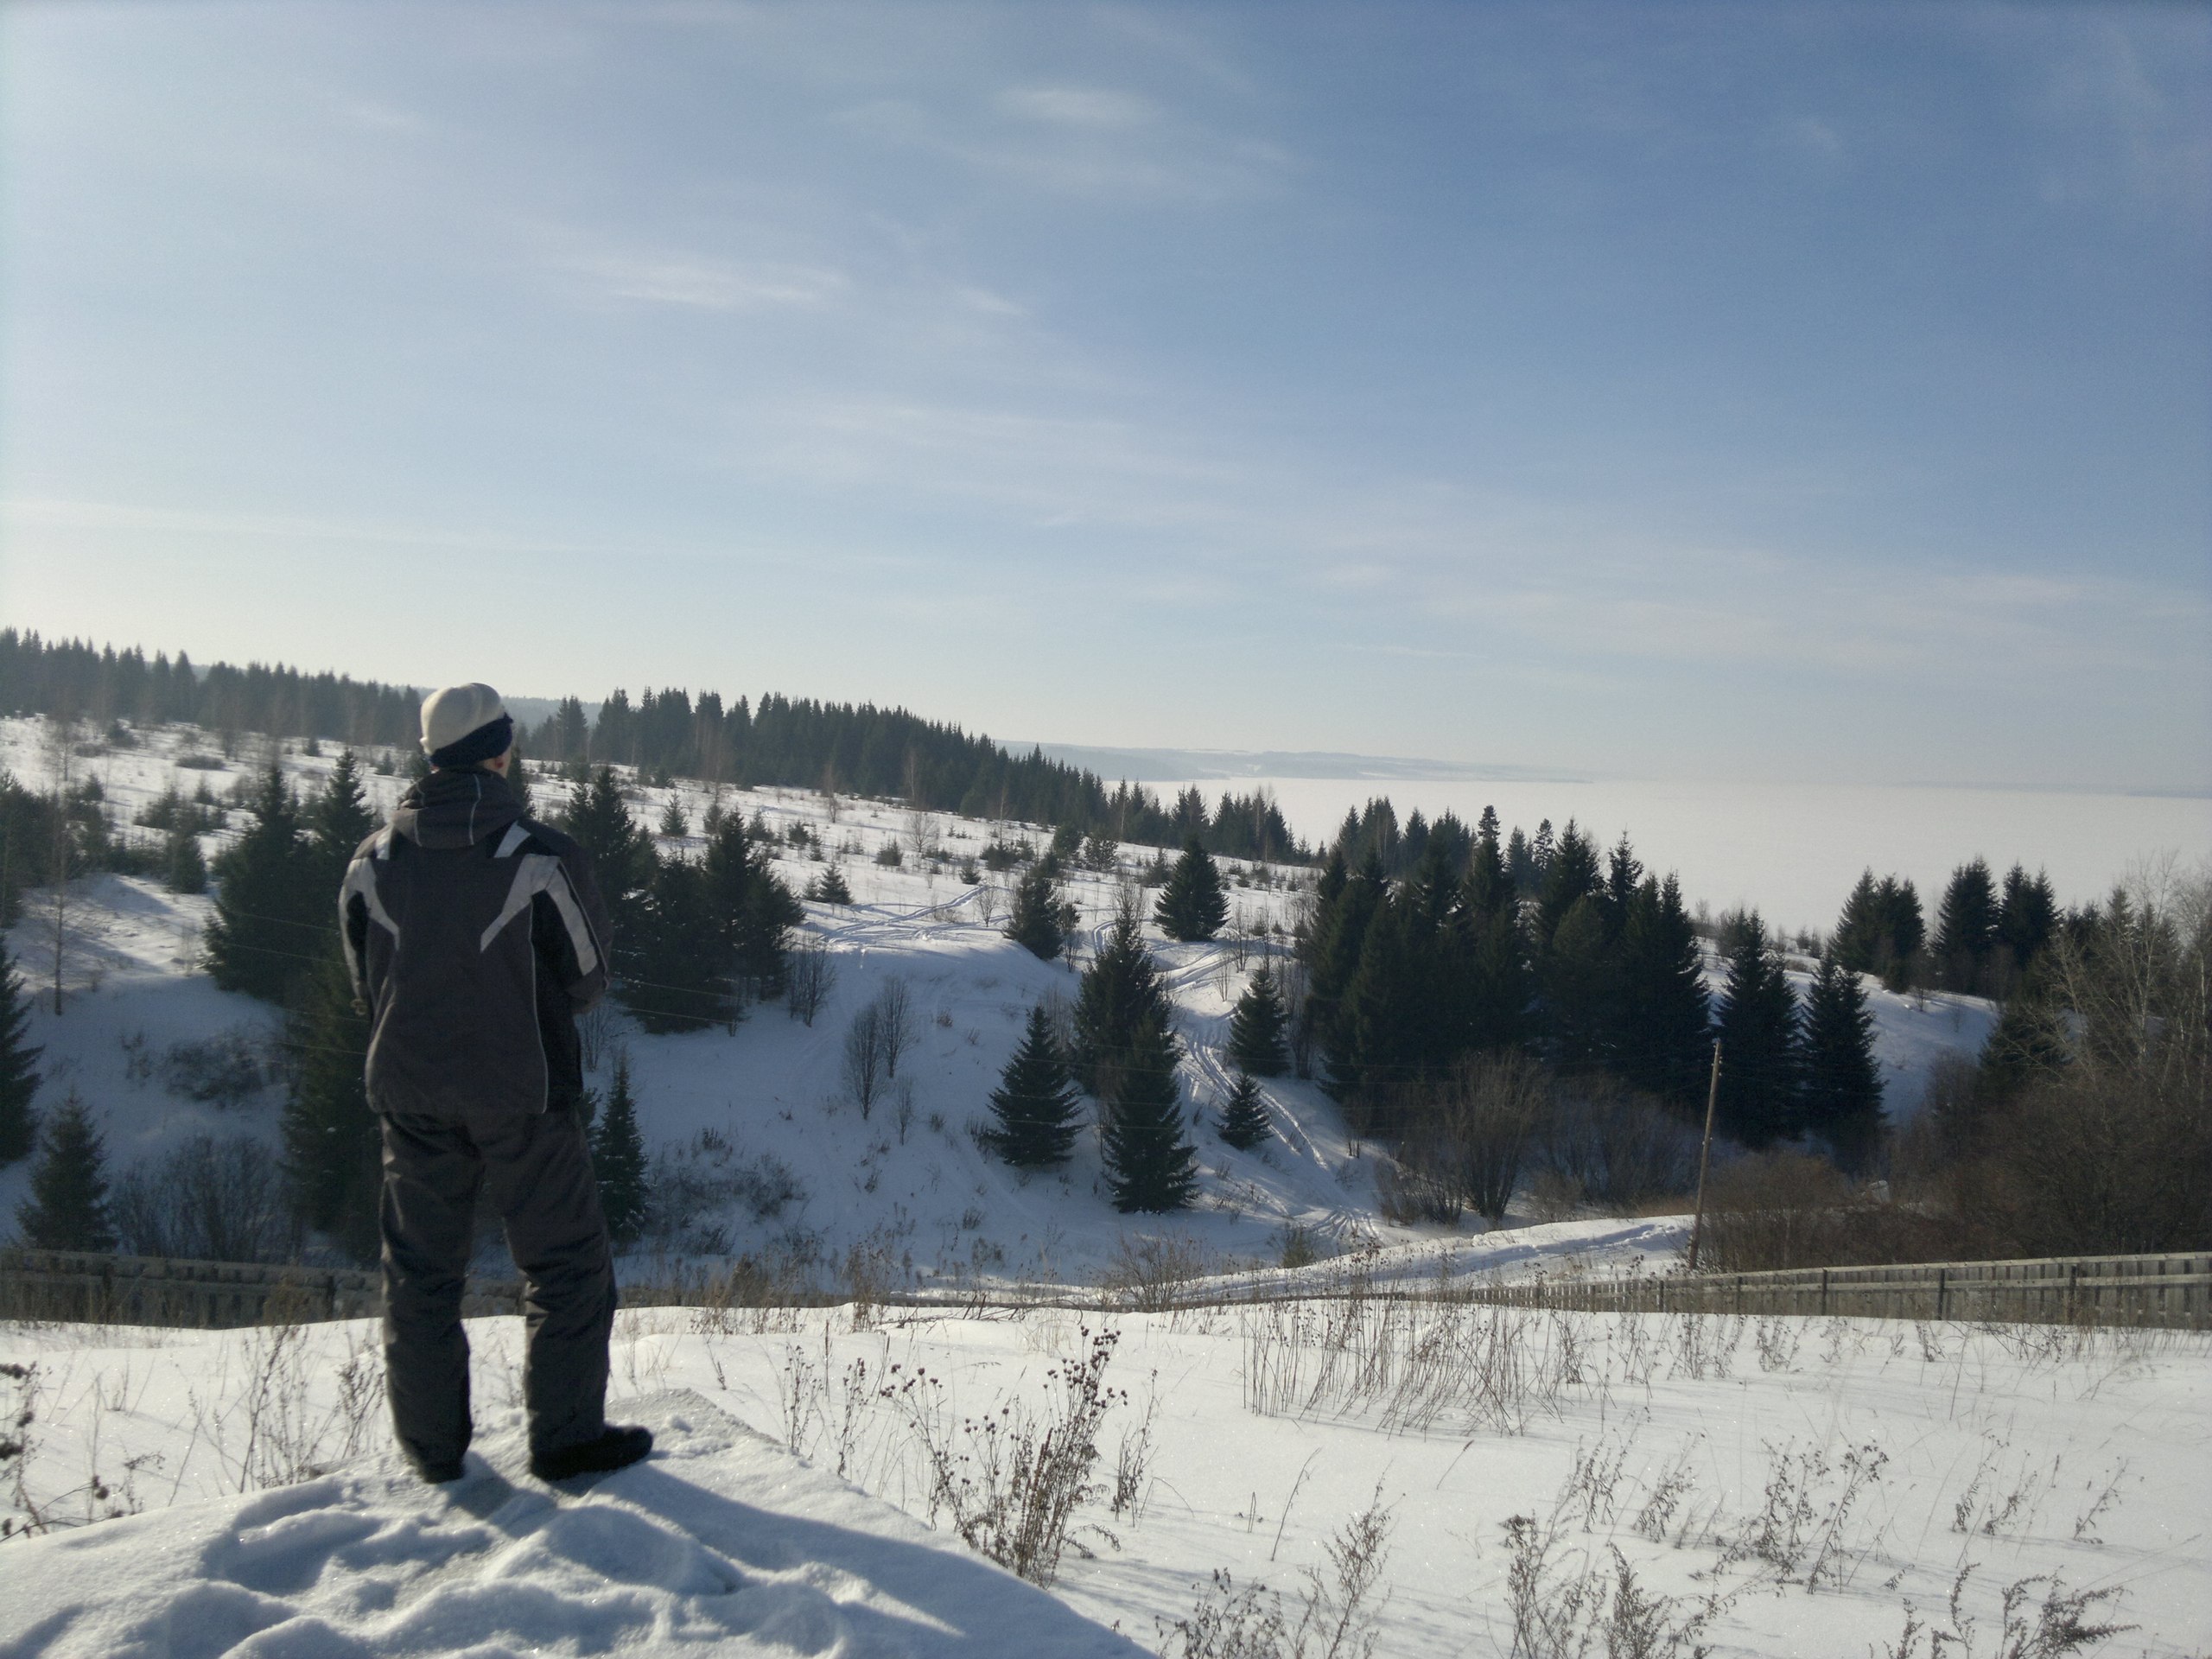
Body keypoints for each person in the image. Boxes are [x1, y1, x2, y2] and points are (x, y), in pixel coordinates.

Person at [340, 683, 652, 1484]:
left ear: (432, 755)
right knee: (566, 1265)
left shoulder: (372, 861)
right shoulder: (540, 855)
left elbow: (366, 984)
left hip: (409, 1093)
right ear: (501, 750)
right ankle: (566, 1440)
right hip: (522, 1093)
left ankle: (432, 1452)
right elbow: (588, 977)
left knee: (419, 1275)